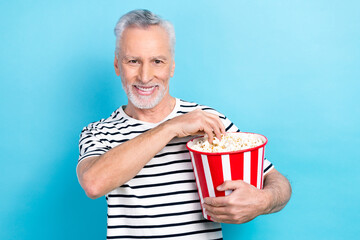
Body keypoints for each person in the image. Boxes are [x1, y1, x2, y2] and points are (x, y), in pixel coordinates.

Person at [76, 9, 292, 239]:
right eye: (133, 61)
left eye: (157, 61)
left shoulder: (207, 119)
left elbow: (278, 182)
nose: (145, 76)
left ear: (171, 67)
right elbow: (93, 184)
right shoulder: (98, 132)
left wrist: (263, 200)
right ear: (118, 65)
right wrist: (171, 127)